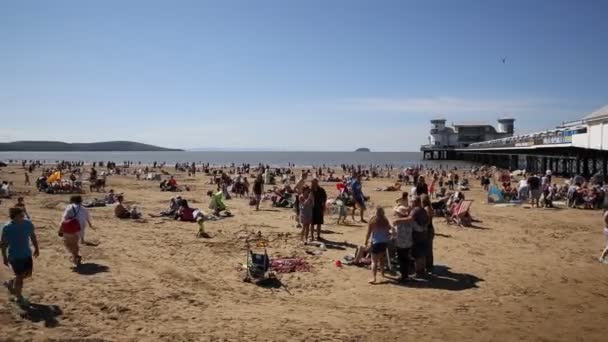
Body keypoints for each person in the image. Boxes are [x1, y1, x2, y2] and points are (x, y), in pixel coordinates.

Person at [1, 207, 39, 305]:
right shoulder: (7, 227)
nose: (23, 217)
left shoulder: (28, 224)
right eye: (21, 215)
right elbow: (4, 244)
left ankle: (10, 282)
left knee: (27, 274)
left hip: (26, 254)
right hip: (14, 255)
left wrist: (36, 248)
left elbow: (33, 236)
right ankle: (18, 297)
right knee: (20, 277)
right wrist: (4, 257)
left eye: (23, 215)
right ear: (14, 216)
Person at [393, 197, 429, 278]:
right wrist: (424, 228)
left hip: (410, 240)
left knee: (415, 256)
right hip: (420, 236)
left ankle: (417, 273)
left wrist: (397, 221)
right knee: (421, 254)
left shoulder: (415, 210)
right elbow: (423, 223)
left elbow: (410, 219)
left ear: (414, 202)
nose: (410, 204)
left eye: (411, 202)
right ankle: (422, 271)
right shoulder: (423, 210)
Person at [364, 207, 391, 284]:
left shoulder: (373, 221)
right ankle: (382, 273)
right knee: (382, 259)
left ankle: (374, 277)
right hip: (384, 242)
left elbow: (368, 233)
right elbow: (389, 229)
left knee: (374, 261)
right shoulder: (385, 220)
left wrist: (365, 242)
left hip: (376, 242)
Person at [393, 205, 414, 283]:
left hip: (400, 244)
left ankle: (403, 276)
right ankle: (406, 275)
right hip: (408, 243)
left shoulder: (398, 222)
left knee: (401, 260)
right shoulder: (409, 221)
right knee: (406, 259)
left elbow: (395, 233)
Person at [421, 194, 435, 274]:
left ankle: (428, 265)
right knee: (429, 248)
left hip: (428, 230)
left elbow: (428, 221)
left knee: (428, 248)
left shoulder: (427, 209)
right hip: (430, 229)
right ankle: (429, 265)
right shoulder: (429, 207)